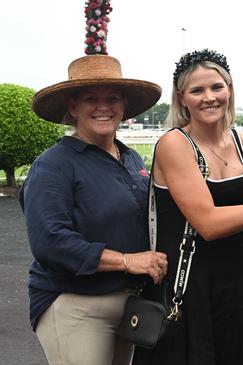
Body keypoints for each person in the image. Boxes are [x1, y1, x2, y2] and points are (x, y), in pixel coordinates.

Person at [133, 49, 243, 365]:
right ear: (182, 98)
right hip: (187, 287)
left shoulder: (242, 142)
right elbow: (208, 224)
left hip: (235, 284)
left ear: (229, 89)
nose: (209, 97)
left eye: (216, 87)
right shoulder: (175, 144)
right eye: (197, 91)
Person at [20, 53, 168, 365]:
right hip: (76, 304)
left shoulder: (131, 159)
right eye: (91, 98)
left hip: (129, 303)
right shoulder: (54, 164)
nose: (103, 106)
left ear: (124, 106)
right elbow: (51, 241)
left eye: (112, 98)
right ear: (73, 107)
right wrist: (127, 260)